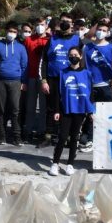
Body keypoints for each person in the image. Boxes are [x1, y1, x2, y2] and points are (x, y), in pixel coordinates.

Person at [50, 47, 94, 176]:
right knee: (62, 137)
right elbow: (58, 94)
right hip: (66, 109)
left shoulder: (87, 74)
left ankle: (70, 164)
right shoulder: (63, 72)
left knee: (75, 138)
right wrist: (57, 110)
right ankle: (55, 163)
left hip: (80, 110)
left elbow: (90, 95)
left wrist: (91, 111)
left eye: (75, 54)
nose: (73, 57)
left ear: (80, 56)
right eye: (70, 55)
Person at [39, 16, 81, 147]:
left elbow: (82, 60)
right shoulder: (52, 40)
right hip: (53, 78)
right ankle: (48, 136)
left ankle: (68, 136)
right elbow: (44, 61)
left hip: (70, 79)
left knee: (69, 107)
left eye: (68, 23)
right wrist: (44, 80)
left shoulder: (77, 40)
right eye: (63, 22)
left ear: (72, 25)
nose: (65, 25)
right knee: (51, 108)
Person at [81, 22, 112, 151]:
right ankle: (91, 140)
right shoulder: (87, 47)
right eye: (99, 29)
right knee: (91, 114)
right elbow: (83, 66)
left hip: (105, 86)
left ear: (107, 33)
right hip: (91, 85)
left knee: (107, 113)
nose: (101, 32)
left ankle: (108, 140)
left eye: (104, 30)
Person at [0, 23, 28, 145]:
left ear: (17, 33)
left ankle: (16, 137)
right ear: (6, 31)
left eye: (14, 31)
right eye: (10, 31)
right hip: (1, 81)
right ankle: (1, 135)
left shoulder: (21, 48)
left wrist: (23, 82)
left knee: (15, 109)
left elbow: (24, 66)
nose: (11, 33)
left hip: (16, 81)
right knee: (0, 109)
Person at [22, 18, 49, 143]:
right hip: (31, 76)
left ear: (46, 25)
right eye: (37, 24)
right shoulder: (28, 40)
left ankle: (41, 132)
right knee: (30, 106)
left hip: (43, 78)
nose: (40, 27)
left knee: (43, 108)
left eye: (42, 24)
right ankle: (28, 131)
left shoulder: (50, 40)